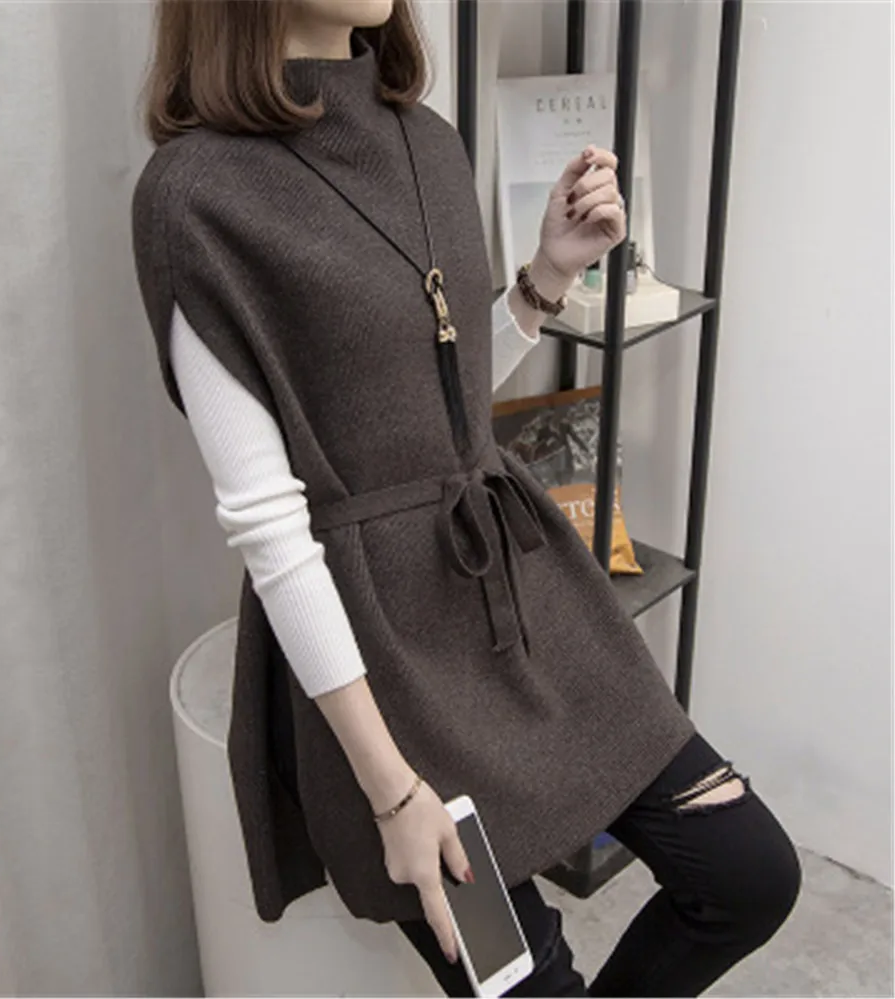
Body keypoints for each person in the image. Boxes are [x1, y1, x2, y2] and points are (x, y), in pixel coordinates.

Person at [131, 1, 801, 995]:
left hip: (519, 599)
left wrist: (546, 275)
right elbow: (270, 528)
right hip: (382, 663)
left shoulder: (428, 141)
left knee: (749, 875)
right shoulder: (196, 195)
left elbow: (439, 412)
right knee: (529, 982)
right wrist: (392, 794)